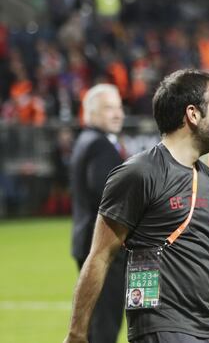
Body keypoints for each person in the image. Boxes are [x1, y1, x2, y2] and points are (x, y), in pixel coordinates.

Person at [64, 69, 209, 343]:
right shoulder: (138, 173)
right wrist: (77, 335)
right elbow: (99, 256)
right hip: (162, 328)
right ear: (193, 114)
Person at [69, 83, 126, 343]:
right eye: (108, 108)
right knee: (105, 326)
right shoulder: (100, 145)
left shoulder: (85, 140)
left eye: (119, 107)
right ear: (90, 113)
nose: (117, 113)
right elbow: (108, 194)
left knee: (93, 326)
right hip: (104, 246)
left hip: (87, 242)